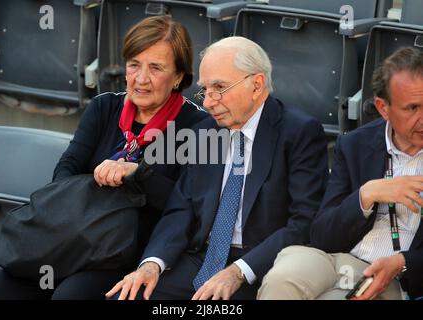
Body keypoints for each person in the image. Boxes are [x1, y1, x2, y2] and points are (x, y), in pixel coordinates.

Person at [0, 15, 207, 300]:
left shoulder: (198, 127)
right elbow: (66, 170)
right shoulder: (104, 107)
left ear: (179, 77)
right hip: (76, 240)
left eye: (156, 68)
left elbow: (191, 207)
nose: (141, 79)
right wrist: (80, 215)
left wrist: (135, 175)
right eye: (134, 65)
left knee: (69, 296)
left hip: (131, 252)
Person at [105, 36, 328, 300]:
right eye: (205, 90)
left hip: (259, 265)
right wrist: (152, 264)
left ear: (256, 85)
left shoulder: (298, 132)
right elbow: (182, 208)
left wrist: (238, 271)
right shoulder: (205, 132)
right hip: (201, 257)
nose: (208, 102)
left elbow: (303, 221)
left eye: (219, 88)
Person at [257, 47, 423, 300]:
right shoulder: (355, 145)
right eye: (412, 108)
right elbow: (322, 235)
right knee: (282, 280)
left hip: (397, 278)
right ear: (383, 108)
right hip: (334, 259)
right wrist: (366, 195)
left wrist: (403, 262)